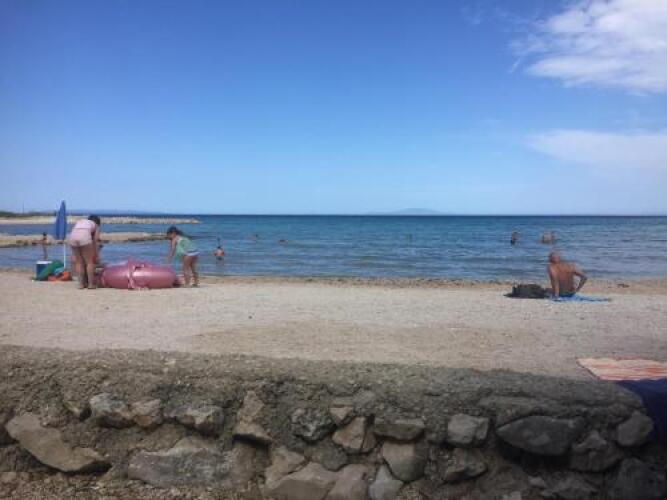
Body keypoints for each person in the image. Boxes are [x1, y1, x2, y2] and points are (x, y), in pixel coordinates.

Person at [68, 215, 101, 289]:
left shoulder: (81, 222)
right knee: (89, 262)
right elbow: (95, 241)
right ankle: (91, 284)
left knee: (78, 262)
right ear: (97, 222)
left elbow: (75, 231)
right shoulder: (96, 225)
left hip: (72, 237)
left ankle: (81, 284)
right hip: (84, 237)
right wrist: (96, 254)